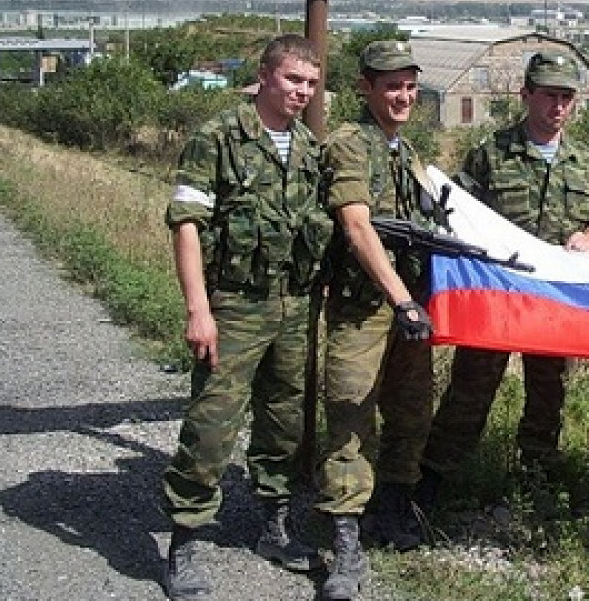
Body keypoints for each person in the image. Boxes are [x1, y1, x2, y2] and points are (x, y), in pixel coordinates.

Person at [161, 34, 332, 600]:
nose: (301, 92)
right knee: (212, 424)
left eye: (310, 83)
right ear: (265, 75)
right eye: (292, 80)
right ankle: (185, 538)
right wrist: (198, 310)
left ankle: (273, 526)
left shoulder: (308, 147)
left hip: (293, 304)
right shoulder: (217, 138)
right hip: (233, 304)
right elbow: (187, 223)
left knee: (283, 423)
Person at [417, 50, 589, 511]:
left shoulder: (585, 161)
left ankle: (536, 478)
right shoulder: (491, 153)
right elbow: (454, 209)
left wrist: (588, 237)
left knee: (549, 390)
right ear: (526, 96)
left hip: (554, 298)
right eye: (548, 96)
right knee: (472, 386)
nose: (557, 107)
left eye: (566, 97)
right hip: (497, 294)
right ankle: (435, 480)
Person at [314, 40, 441, 600]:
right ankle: (345, 539)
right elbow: (357, 228)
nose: (403, 95)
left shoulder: (405, 151)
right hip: (366, 307)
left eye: (410, 85)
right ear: (366, 86)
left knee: (412, 410)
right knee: (350, 413)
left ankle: (394, 506)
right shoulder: (350, 144)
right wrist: (401, 300)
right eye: (392, 85)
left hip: (406, 305)